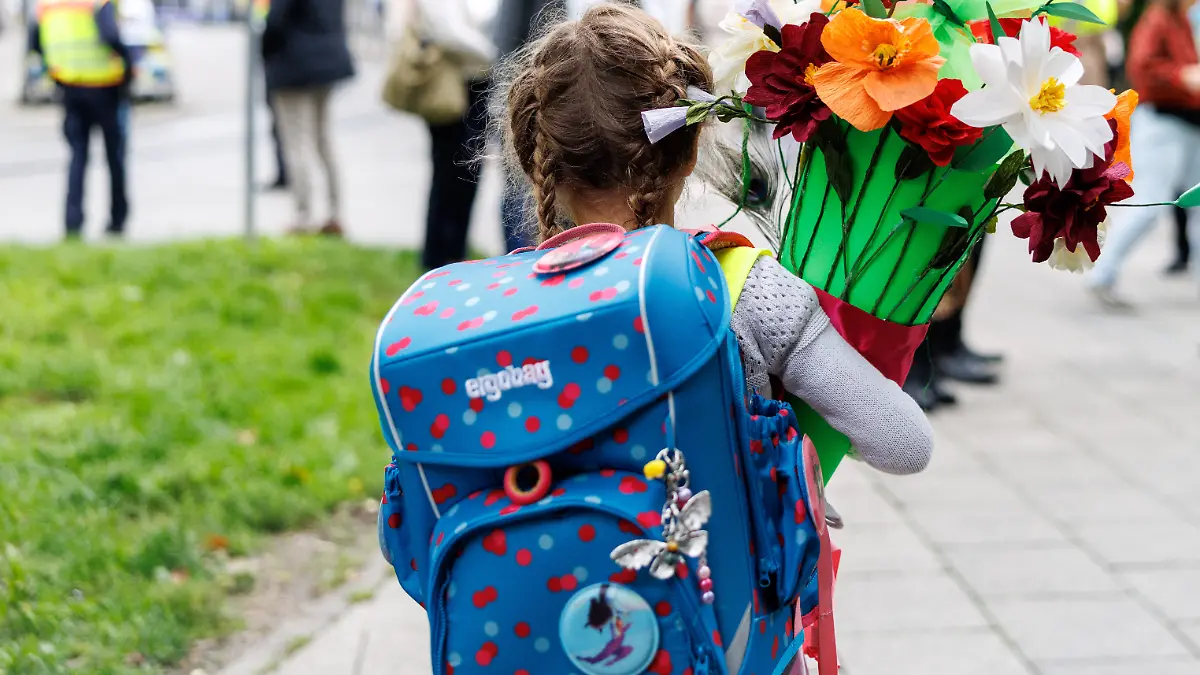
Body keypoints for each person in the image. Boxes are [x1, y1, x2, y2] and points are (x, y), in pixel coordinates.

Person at [500, 3, 933, 473]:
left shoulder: (506, 307)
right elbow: (906, 446)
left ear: (535, 163)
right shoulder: (743, 287)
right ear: (689, 151)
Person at [1088, 0, 1200, 307]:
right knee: (1148, 204)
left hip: (1192, 124)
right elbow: (1142, 66)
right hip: (1163, 121)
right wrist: (1182, 75)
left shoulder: (1187, 18)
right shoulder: (1161, 17)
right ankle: (1102, 274)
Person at [29, 0, 133, 240]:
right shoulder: (98, 2)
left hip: (69, 88)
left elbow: (35, 43)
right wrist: (128, 67)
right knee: (114, 158)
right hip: (106, 88)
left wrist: (55, 71)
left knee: (77, 157)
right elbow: (110, 36)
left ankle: (73, 223)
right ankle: (117, 220)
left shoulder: (48, 4)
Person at [412, 0, 496, 268]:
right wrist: (496, 53)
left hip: (477, 83)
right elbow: (448, 31)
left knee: (469, 172)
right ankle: (438, 255)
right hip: (451, 86)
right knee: (449, 170)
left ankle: (455, 250)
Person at [261, 0, 354, 236]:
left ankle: (304, 216)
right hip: (328, 63)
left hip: (293, 65)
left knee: (296, 142)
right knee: (323, 140)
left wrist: (265, 52)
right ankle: (334, 213)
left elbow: (275, 22)